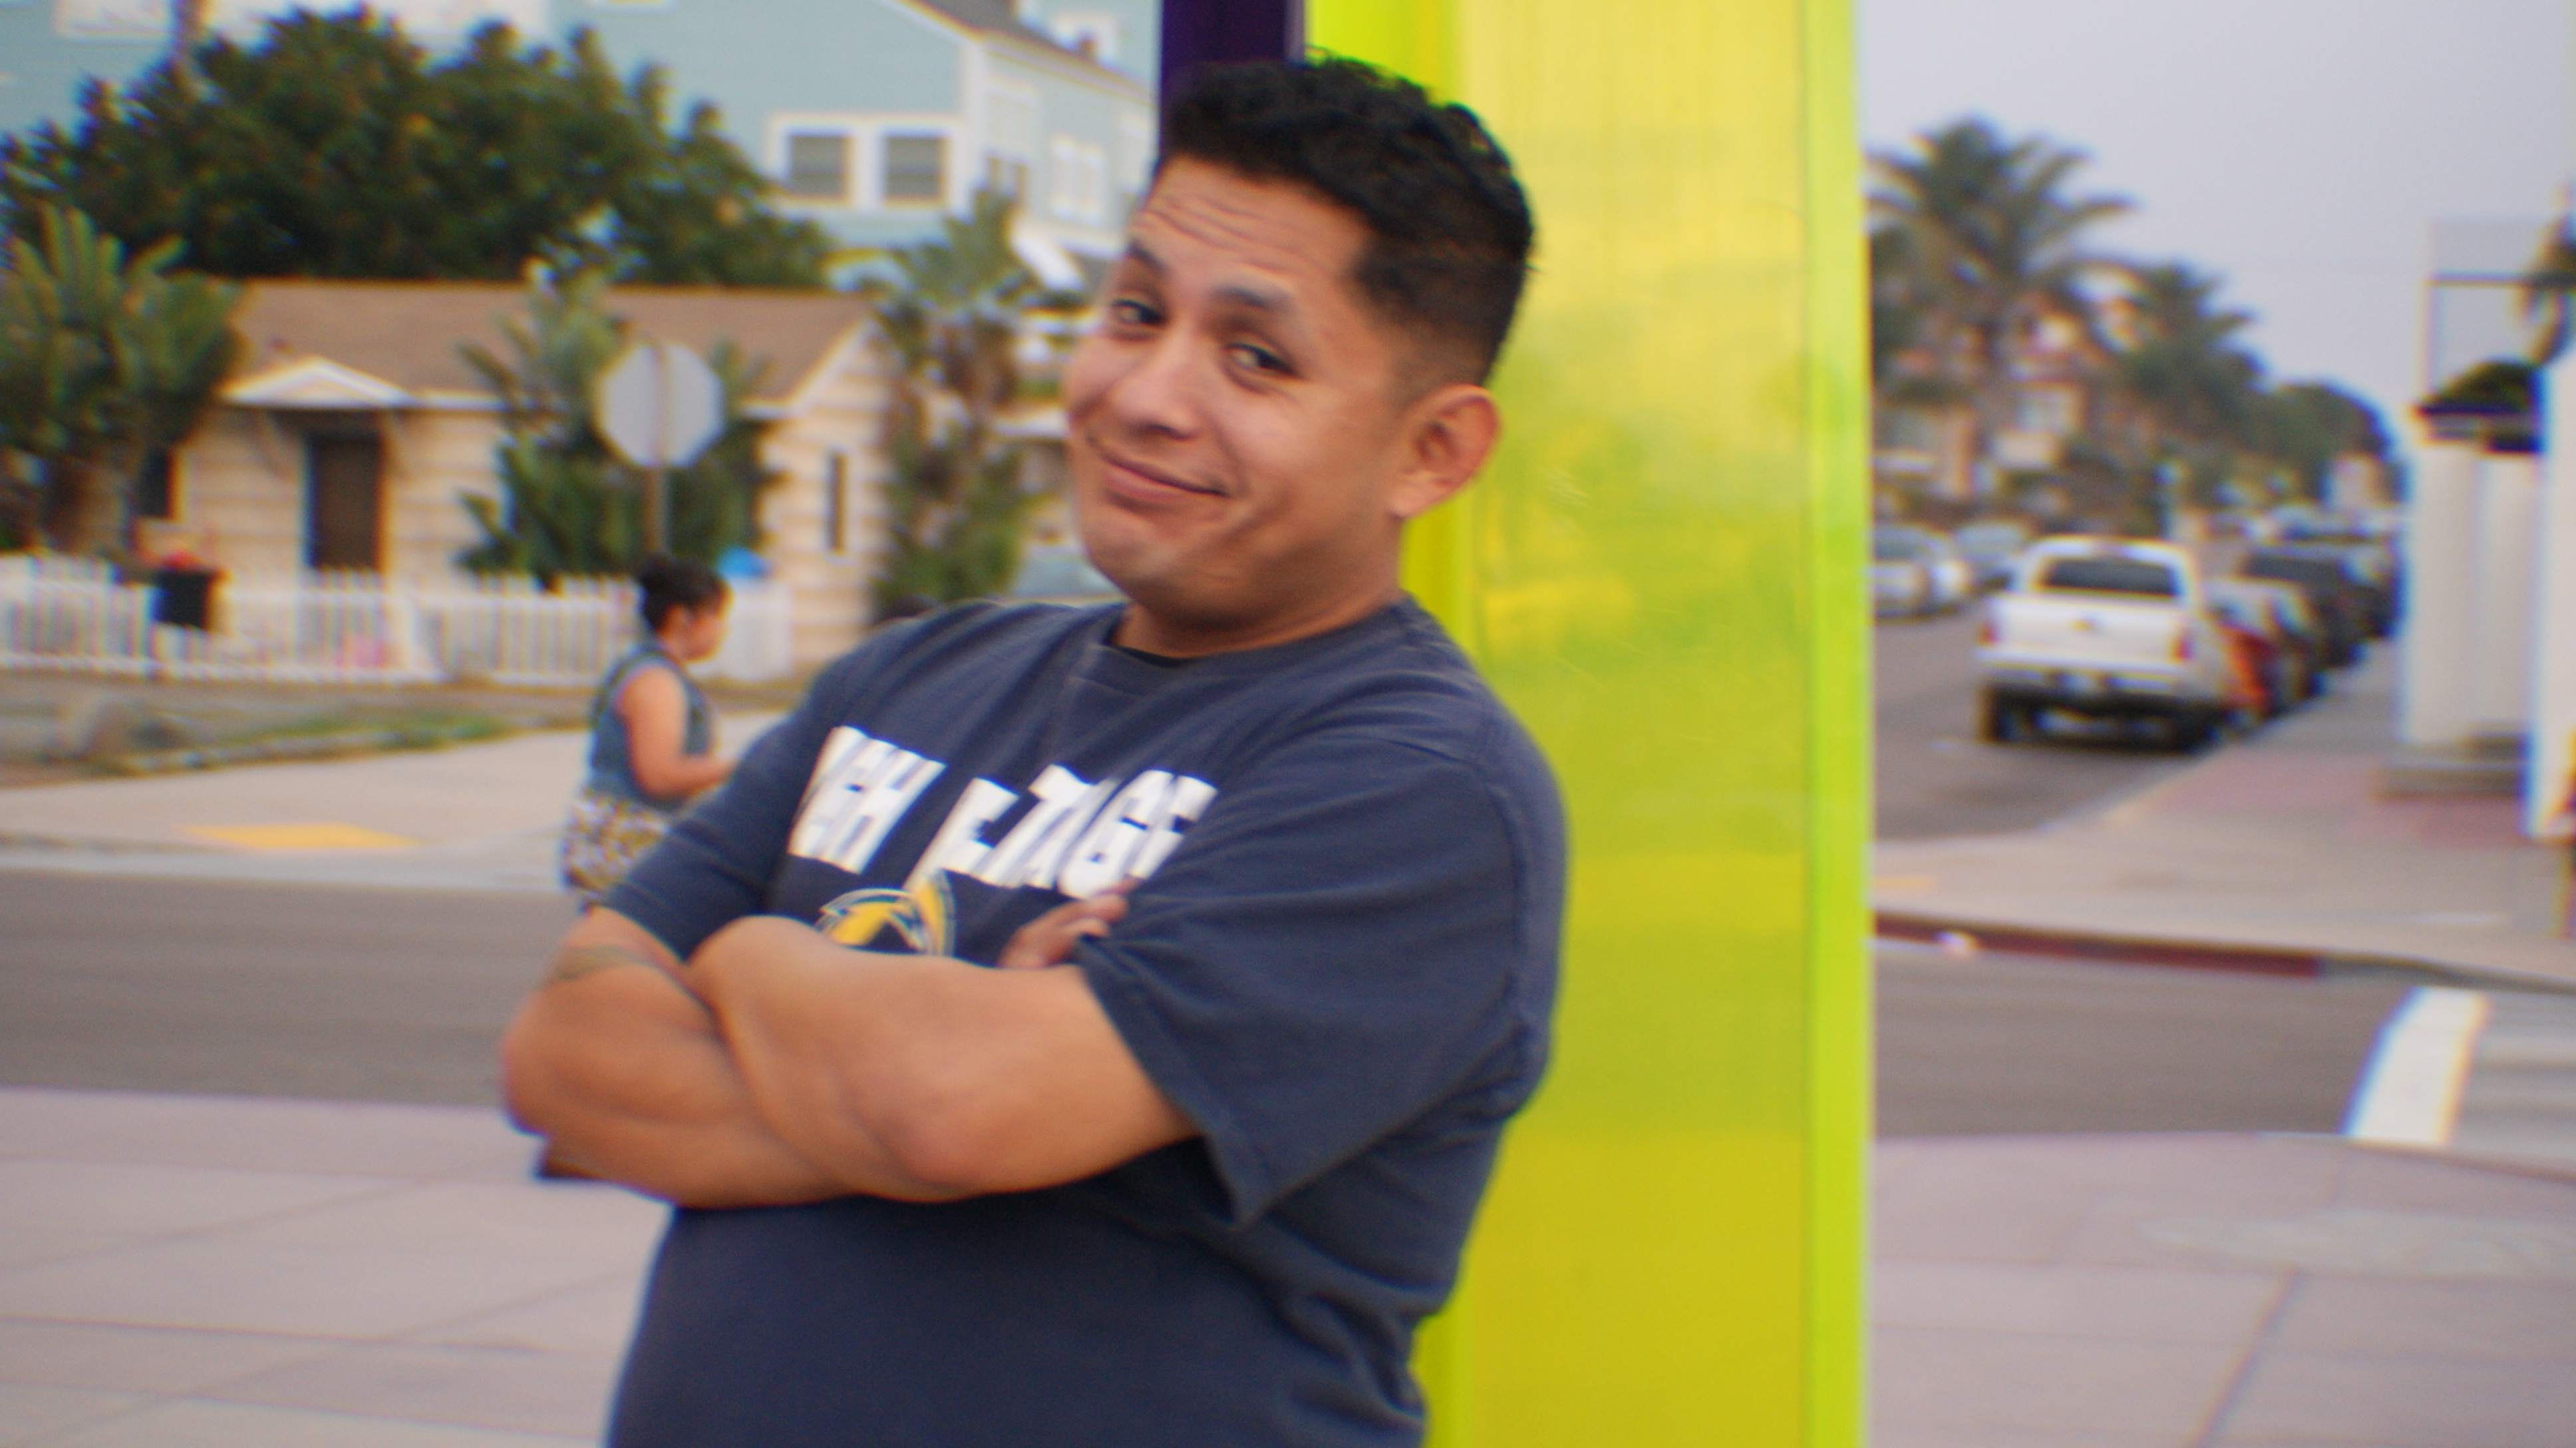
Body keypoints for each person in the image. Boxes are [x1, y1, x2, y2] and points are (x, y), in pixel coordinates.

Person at [501, 57, 1561, 1447]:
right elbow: (564, 1056)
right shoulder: (907, 674)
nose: (1147, 393)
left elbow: (955, 1107)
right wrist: (913, 1066)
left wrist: (749, 957)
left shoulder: (1421, 783)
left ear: (1432, 451)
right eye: (1135, 311)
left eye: (1255, 356)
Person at [558, 556, 734, 908]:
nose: (721, 629)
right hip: (630, 838)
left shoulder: (643, 667)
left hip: (621, 836)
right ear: (682, 618)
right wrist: (743, 766)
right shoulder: (657, 681)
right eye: (715, 615)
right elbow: (659, 775)